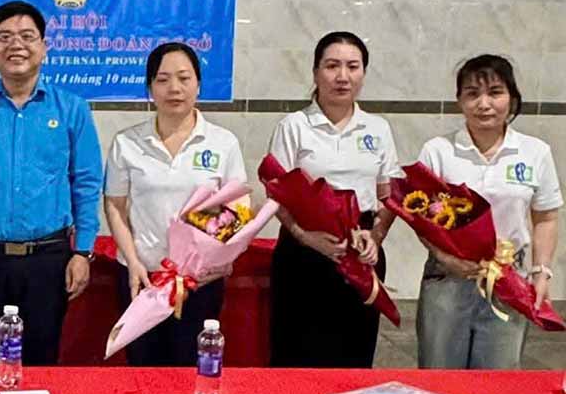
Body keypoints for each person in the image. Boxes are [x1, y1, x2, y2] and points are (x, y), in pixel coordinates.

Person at [0, 0, 103, 366]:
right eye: (5, 37)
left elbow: (87, 183)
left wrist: (83, 251)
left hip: (49, 260)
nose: (16, 45)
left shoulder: (71, 109)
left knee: (42, 360)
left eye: (28, 36)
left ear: (44, 46)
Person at [104, 42, 247, 366]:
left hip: (201, 281)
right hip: (144, 279)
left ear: (198, 83)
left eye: (184, 78)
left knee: (191, 370)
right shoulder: (127, 142)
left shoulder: (222, 142)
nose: (174, 88)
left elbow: (238, 206)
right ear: (149, 87)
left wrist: (216, 254)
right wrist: (133, 260)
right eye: (163, 79)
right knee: (143, 372)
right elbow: (114, 205)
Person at [416, 55, 560, 369]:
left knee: (499, 378)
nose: (484, 103)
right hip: (448, 279)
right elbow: (422, 221)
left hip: (509, 280)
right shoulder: (437, 151)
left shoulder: (535, 152)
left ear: (512, 98)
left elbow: (546, 216)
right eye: (472, 94)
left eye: (494, 92)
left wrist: (541, 272)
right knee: (439, 377)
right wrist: (449, 259)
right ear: (459, 102)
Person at [267, 31, 400, 368]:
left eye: (353, 67)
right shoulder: (294, 126)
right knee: (296, 353)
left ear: (363, 74)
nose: (343, 76)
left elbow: (390, 195)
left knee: (354, 353)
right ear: (315, 73)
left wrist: (377, 236)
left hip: (361, 249)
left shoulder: (378, 128)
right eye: (332, 66)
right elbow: (276, 193)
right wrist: (304, 236)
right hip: (303, 251)